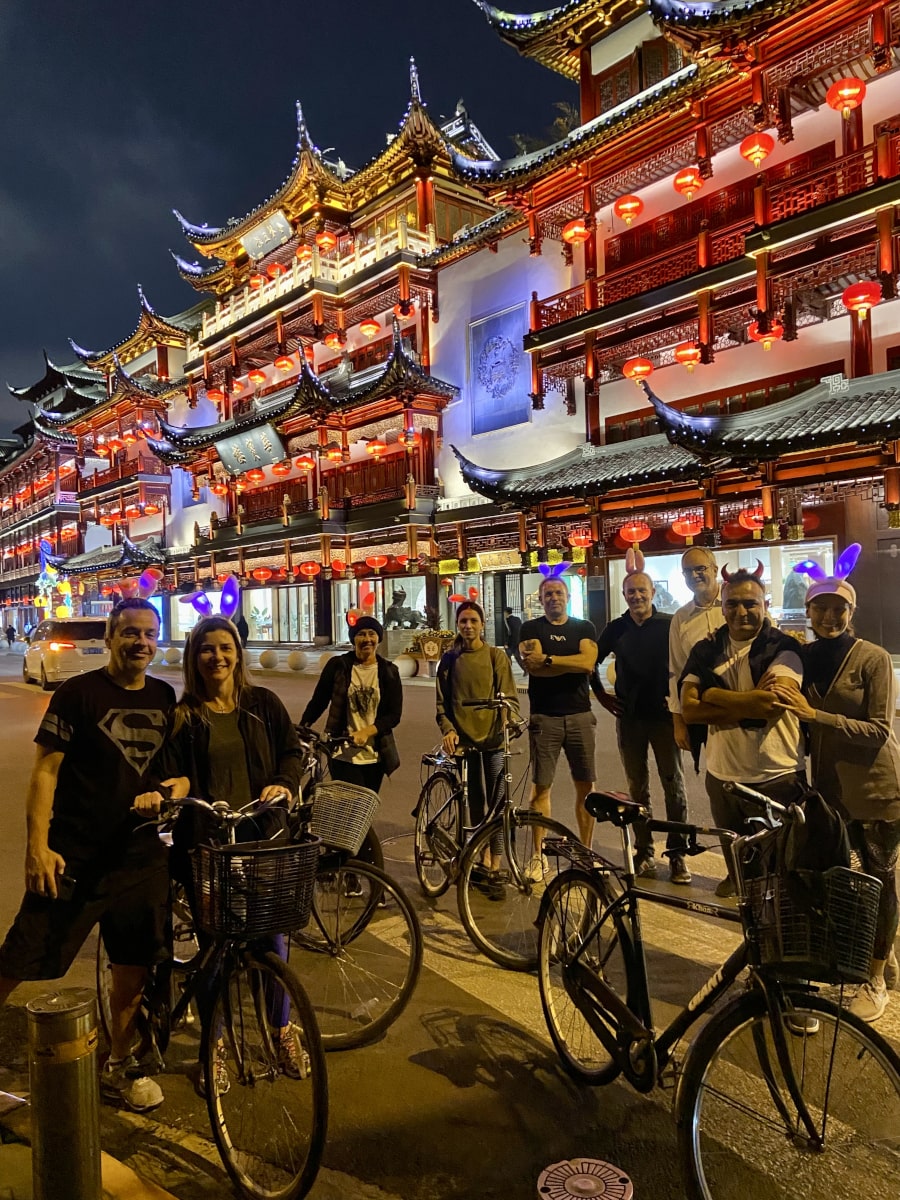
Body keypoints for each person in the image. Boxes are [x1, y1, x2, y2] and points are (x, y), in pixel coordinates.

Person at [0, 598, 174, 1112]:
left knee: (132, 972)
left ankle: (119, 1063)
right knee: (20, 958)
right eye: (129, 633)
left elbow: (175, 771)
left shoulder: (165, 697)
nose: (140, 643)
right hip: (74, 858)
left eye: (148, 633)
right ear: (110, 636)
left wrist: (167, 791)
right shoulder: (78, 695)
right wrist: (38, 846)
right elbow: (45, 772)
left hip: (142, 860)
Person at [137, 614, 304, 1090]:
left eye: (225, 647)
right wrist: (173, 788)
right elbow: (167, 772)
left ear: (238, 653)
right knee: (216, 949)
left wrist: (283, 782)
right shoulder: (186, 716)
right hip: (208, 847)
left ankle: (282, 1029)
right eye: (207, 648)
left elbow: (292, 753)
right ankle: (217, 1044)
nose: (217, 656)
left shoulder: (263, 705)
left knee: (272, 940)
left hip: (263, 841)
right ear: (194, 657)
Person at [769, 572, 900, 1022]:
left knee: (880, 881)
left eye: (838, 608)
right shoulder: (803, 658)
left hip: (876, 790)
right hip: (828, 793)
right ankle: (877, 948)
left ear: (851, 611)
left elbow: (880, 730)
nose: (829, 616)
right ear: (807, 612)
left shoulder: (873, 658)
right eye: (820, 608)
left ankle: (877, 977)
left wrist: (815, 715)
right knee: (846, 881)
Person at [680, 565, 806, 897]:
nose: (741, 612)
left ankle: (773, 934)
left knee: (776, 872)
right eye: (732, 604)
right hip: (722, 773)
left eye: (750, 603)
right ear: (721, 607)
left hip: (776, 776)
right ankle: (738, 883)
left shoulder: (784, 648)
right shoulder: (706, 648)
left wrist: (712, 694)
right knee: (734, 849)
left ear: (765, 605)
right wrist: (745, 700)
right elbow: (690, 710)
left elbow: (768, 707)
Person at [592, 560, 691, 884]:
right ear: (624, 594)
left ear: (652, 593)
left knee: (673, 784)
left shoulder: (668, 624)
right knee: (637, 788)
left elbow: (686, 663)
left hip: (664, 718)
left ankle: (677, 855)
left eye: (641, 591)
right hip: (630, 718)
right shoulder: (616, 628)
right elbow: (590, 662)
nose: (636, 596)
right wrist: (602, 695)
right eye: (631, 591)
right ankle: (644, 851)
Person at [299, 615, 402, 874]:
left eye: (371, 634)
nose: (366, 639)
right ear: (353, 638)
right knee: (353, 815)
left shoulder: (389, 671)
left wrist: (369, 730)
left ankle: (349, 868)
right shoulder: (339, 666)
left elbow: (393, 714)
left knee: (361, 817)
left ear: (378, 638)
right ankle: (368, 872)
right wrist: (304, 725)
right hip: (342, 753)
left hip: (375, 757)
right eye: (361, 634)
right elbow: (319, 699)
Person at [436, 601, 519, 897]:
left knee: (497, 805)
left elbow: (510, 698)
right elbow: (442, 704)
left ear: (483, 624)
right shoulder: (449, 660)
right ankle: (479, 857)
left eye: (473, 620)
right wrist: (448, 731)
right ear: (458, 625)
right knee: (474, 803)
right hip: (465, 744)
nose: (468, 626)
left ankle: (495, 864)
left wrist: (509, 722)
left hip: (494, 741)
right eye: (463, 621)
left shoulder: (496, 656)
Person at [519, 574, 598, 847]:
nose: (554, 598)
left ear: (568, 597)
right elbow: (535, 669)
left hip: (580, 716)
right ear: (540, 600)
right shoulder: (530, 628)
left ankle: (586, 849)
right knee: (541, 787)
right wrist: (571, 663)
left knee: (586, 787)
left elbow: (588, 663)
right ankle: (538, 854)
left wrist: (550, 660)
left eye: (558, 593)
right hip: (544, 717)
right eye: (548, 594)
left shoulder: (584, 627)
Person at [669, 547, 725, 754]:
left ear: (715, 569)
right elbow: (676, 671)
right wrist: (678, 721)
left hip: (742, 705)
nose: (694, 575)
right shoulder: (681, 618)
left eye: (700, 568)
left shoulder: (736, 605)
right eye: (687, 571)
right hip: (702, 708)